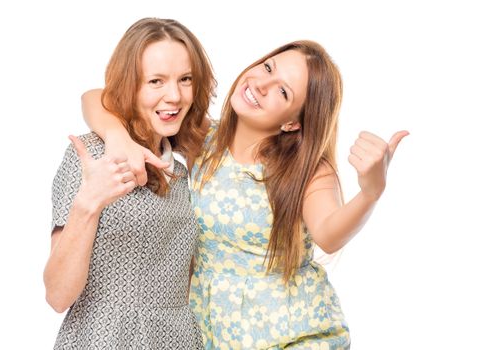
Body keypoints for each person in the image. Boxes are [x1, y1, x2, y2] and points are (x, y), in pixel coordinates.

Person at [82, 40, 408, 349]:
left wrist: (370, 192)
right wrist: (117, 137)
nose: (261, 85)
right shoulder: (204, 140)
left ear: (293, 123)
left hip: (295, 336)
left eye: (282, 91)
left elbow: (328, 234)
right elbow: (96, 97)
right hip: (214, 336)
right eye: (268, 68)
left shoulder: (305, 169)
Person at [43, 17, 215, 349]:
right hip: (104, 338)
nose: (174, 96)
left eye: (185, 79)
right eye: (155, 81)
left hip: (179, 338)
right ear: (129, 84)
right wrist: (87, 205)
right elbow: (58, 295)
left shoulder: (187, 159)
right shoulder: (93, 154)